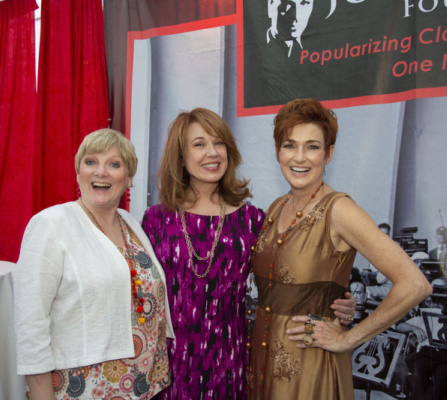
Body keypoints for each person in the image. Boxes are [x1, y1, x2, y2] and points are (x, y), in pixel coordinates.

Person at [140, 108, 356, 400]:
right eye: (199, 144)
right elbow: (136, 289)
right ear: (180, 155)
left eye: (219, 143)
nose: (212, 153)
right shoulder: (155, 221)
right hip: (167, 365)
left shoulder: (253, 220)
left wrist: (333, 301)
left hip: (230, 362)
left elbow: (288, 275)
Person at [249, 98, 432, 399]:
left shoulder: (340, 210)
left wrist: (348, 339)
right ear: (278, 151)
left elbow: (415, 285)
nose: (300, 157)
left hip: (311, 367)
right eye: (289, 145)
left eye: (312, 146)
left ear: (329, 153)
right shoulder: (275, 208)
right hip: (263, 363)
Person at [13, 129, 174, 400]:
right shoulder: (51, 224)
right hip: (84, 388)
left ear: (129, 178)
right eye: (90, 162)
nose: (101, 172)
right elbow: (30, 322)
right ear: (78, 173)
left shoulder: (131, 223)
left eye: (114, 164)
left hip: (144, 383)